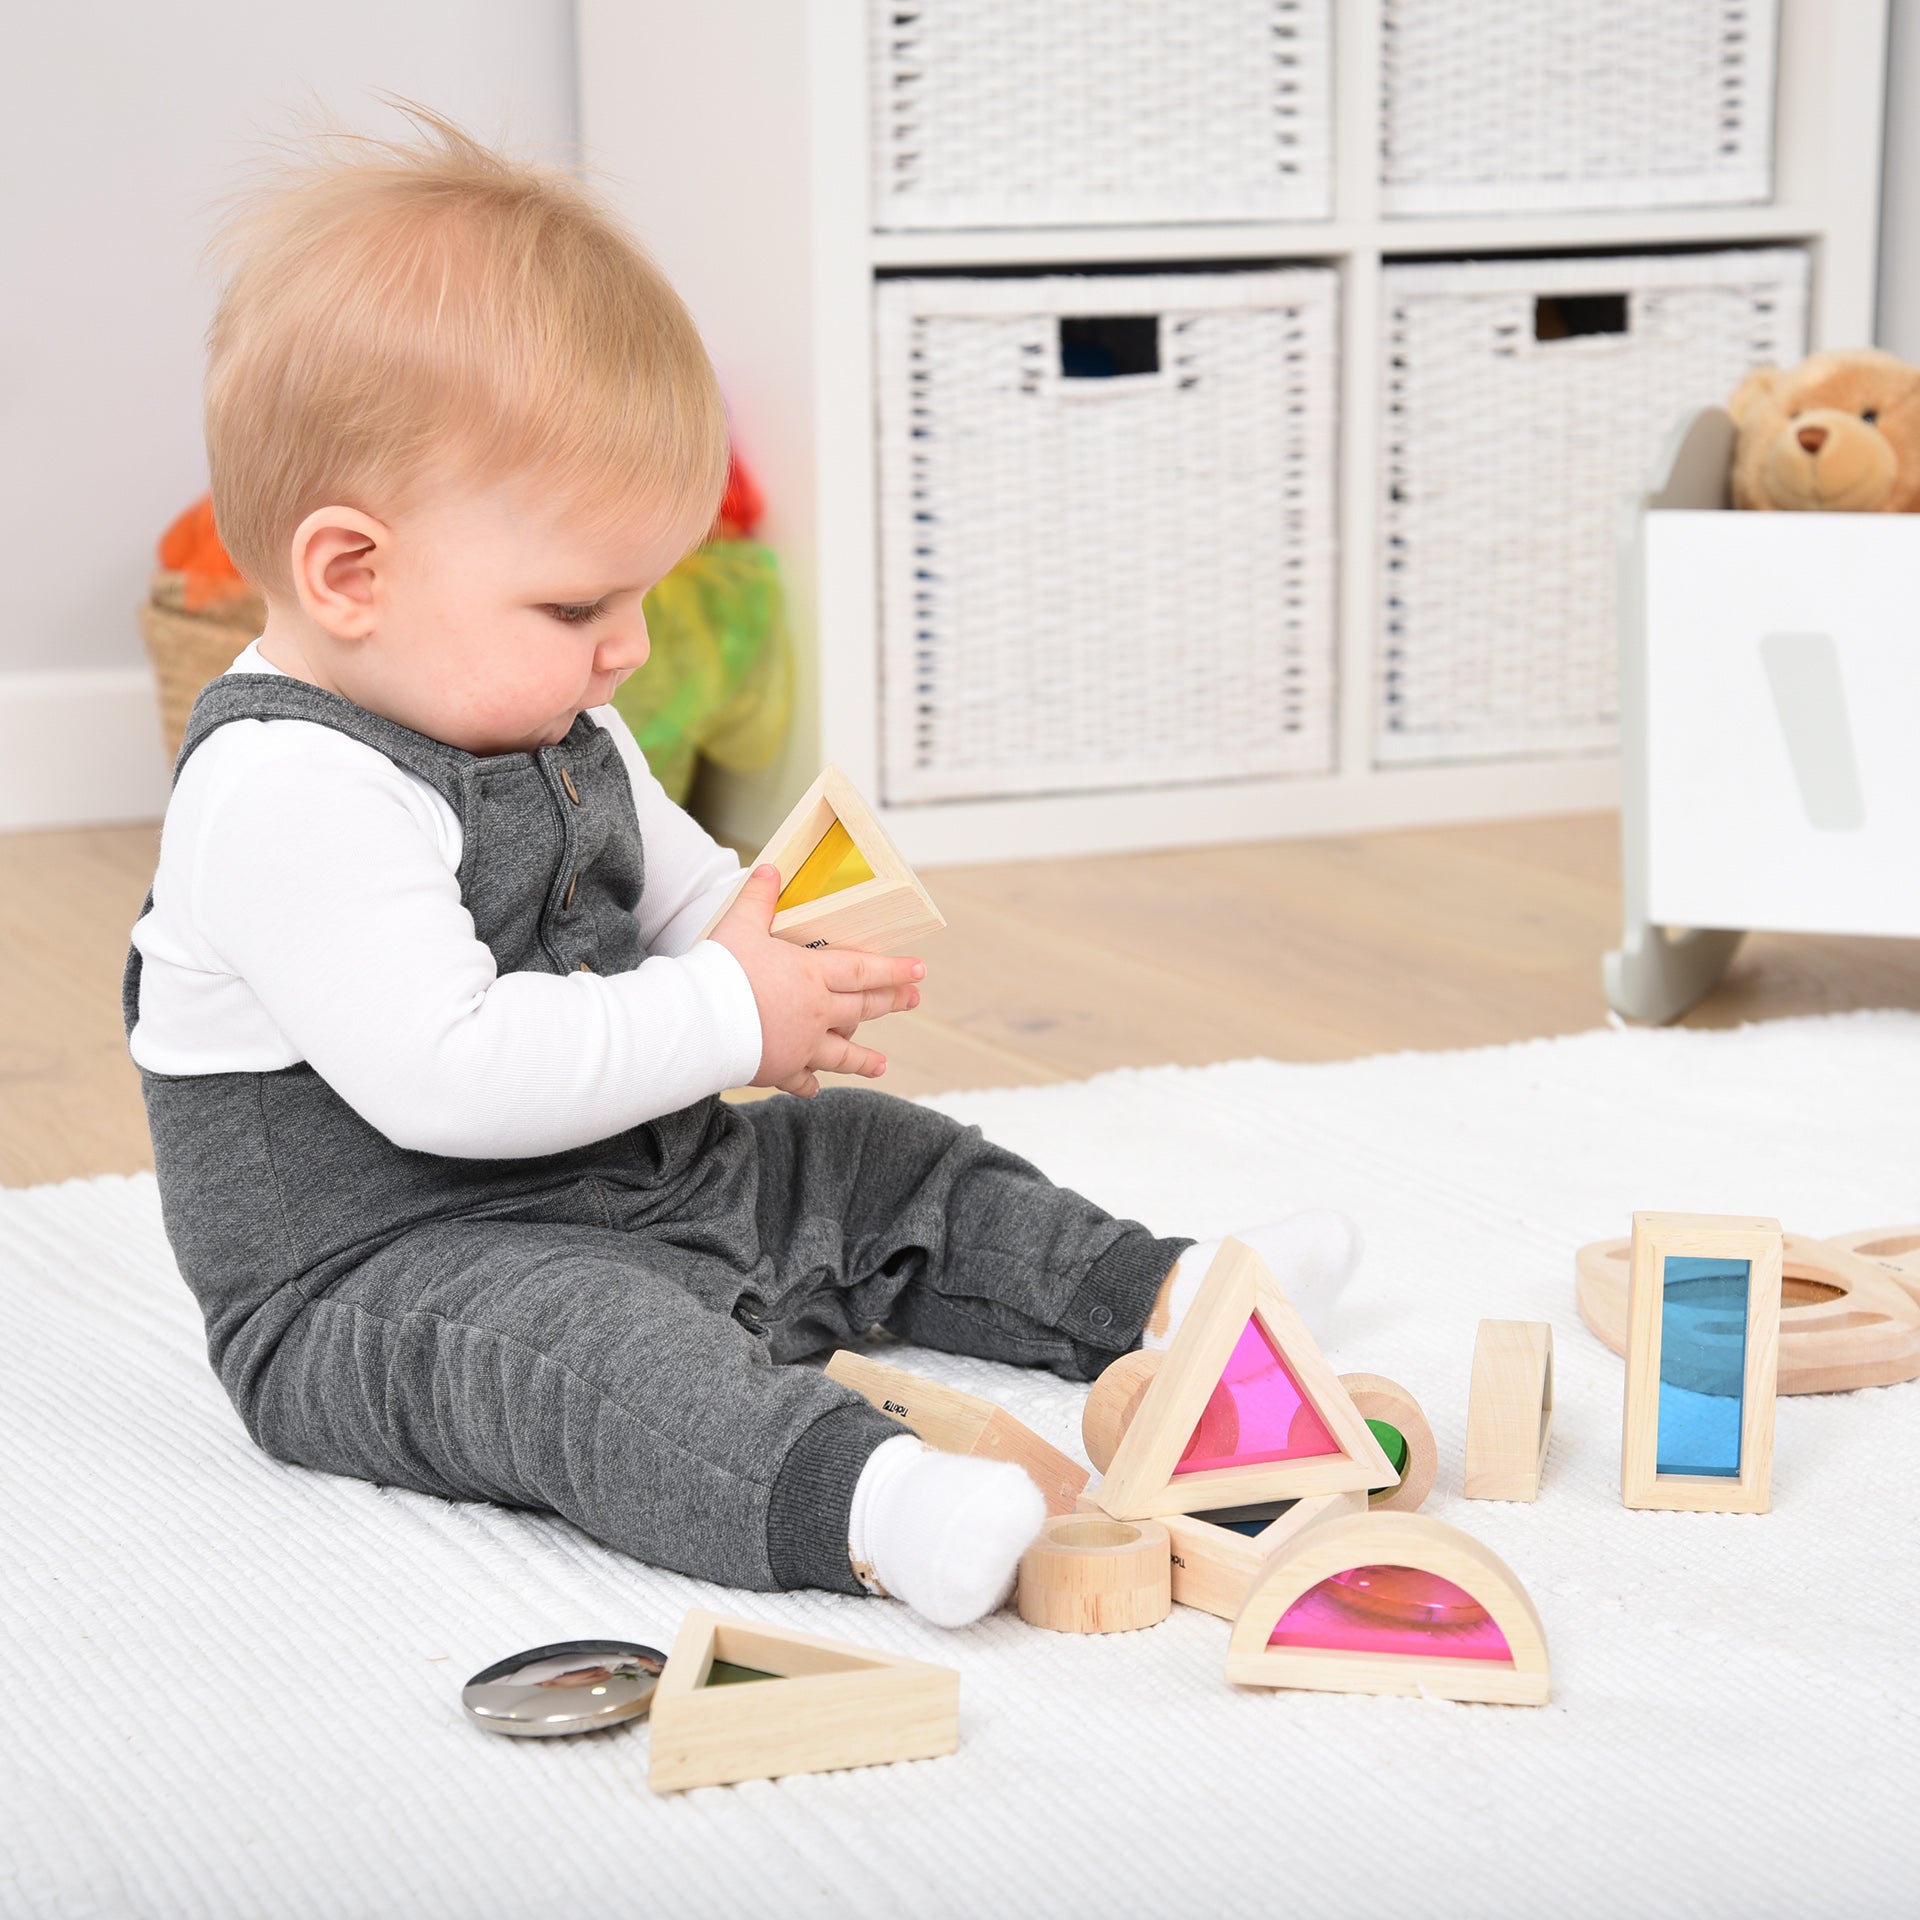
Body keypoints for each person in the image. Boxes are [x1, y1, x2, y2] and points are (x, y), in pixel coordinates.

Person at [125, 107, 1357, 1629]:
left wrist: (778, 951)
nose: (629, 647)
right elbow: (450, 1077)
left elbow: (683, 884)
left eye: (645, 592)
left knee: (875, 1158)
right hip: (388, 1273)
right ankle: (873, 1502)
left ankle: (1160, 1298)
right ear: (351, 574)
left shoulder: (544, 704)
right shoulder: (283, 792)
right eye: (582, 601)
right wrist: (725, 1013)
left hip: (634, 1175)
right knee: (586, 1360)